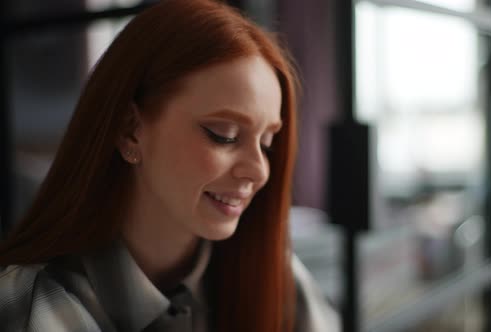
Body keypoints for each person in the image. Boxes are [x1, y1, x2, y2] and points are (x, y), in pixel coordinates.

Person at [0, 0, 340, 331]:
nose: (260, 170)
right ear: (129, 130)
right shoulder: (36, 304)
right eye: (223, 135)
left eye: (267, 143)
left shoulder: (271, 275)